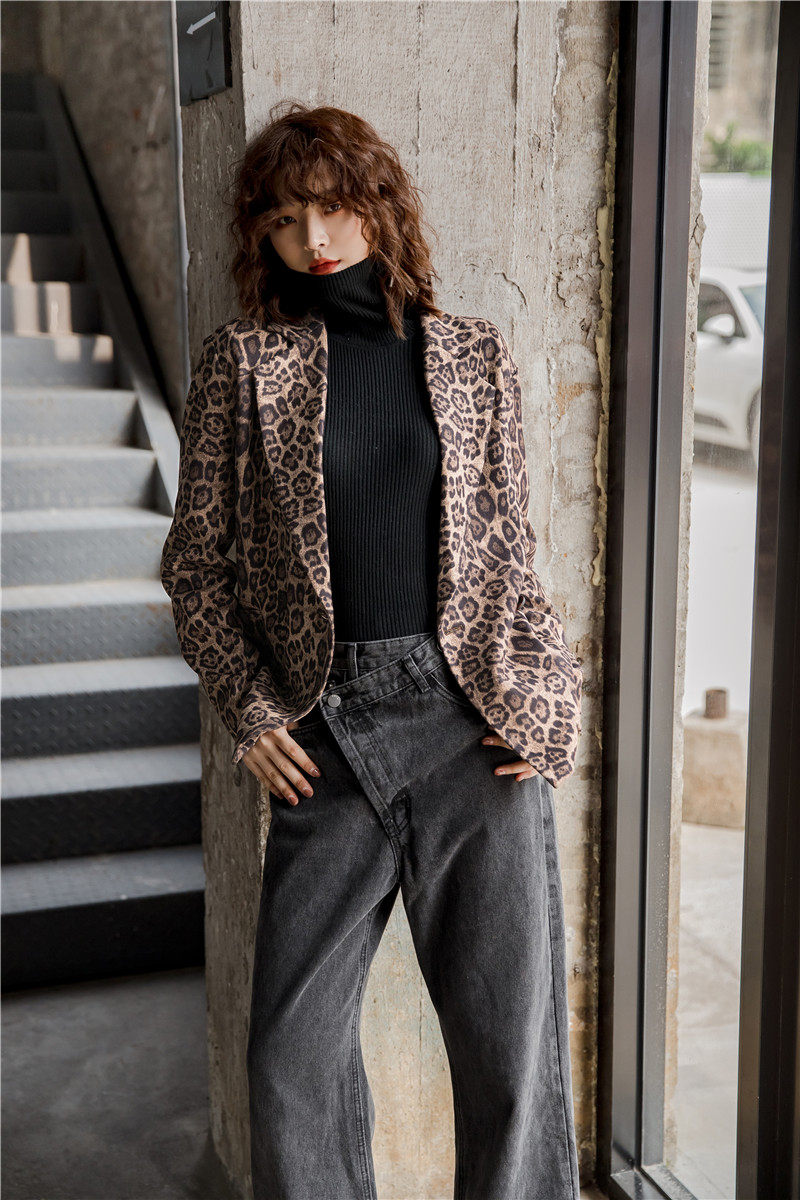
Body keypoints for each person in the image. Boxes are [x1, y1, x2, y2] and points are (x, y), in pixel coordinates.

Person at [162, 101, 582, 1200]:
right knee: (288, 1061)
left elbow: (514, 559)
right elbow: (194, 570)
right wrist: (253, 708)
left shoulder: (472, 355)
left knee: (509, 1056)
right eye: (285, 218)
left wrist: (548, 707)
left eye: (334, 207)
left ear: (380, 204)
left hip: (470, 726)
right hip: (325, 735)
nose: (315, 239)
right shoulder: (243, 365)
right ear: (260, 234)